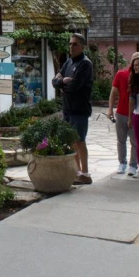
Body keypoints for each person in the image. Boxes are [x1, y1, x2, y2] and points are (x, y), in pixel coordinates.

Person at [52, 33, 94, 184]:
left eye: (75, 44)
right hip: (67, 108)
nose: (71, 47)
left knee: (79, 141)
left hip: (80, 109)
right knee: (70, 141)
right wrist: (63, 81)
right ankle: (77, 171)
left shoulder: (85, 64)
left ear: (82, 46)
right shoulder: (69, 62)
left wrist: (62, 84)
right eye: (70, 44)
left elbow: (76, 86)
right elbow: (54, 81)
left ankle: (86, 173)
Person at [107, 52, 139, 175]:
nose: (136, 64)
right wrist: (110, 109)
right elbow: (113, 92)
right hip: (122, 113)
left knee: (136, 142)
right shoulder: (121, 74)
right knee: (121, 140)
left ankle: (133, 165)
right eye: (135, 60)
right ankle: (122, 163)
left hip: (138, 114)